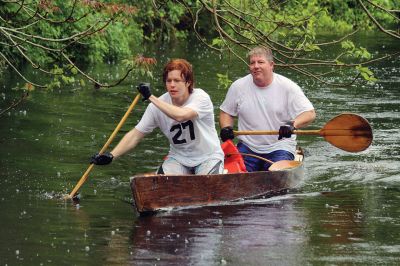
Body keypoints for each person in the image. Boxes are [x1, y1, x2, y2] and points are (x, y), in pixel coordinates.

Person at [91, 59, 224, 175]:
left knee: (206, 185)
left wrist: (150, 97)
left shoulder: (201, 97)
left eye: (177, 80)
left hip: (208, 157)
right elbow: (136, 134)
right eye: (168, 81)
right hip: (179, 158)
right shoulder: (155, 106)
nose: (172, 85)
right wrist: (112, 155)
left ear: (188, 82)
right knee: (159, 188)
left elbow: (181, 116)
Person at [219, 46, 316, 172]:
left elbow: (310, 113)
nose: (256, 66)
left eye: (260, 62)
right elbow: (226, 112)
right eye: (252, 63)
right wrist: (226, 128)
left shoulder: (288, 87)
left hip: (280, 146)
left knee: (275, 175)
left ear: (271, 65)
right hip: (248, 147)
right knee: (233, 176)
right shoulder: (238, 87)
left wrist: (292, 125)